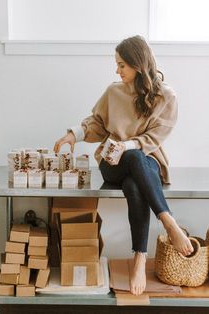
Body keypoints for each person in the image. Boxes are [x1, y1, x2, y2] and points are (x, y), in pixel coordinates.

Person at [53, 35, 194, 295]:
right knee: (131, 161)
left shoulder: (166, 96)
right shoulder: (114, 92)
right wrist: (73, 134)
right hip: (112, 163)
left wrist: (126, 146)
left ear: (138, 65)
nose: (116, 71)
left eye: (122, 65)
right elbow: (96, 124)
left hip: (146, 161)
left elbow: (154, 138)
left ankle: (139, 258)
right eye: (117, 65)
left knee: (134, 180)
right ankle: (168, 222)